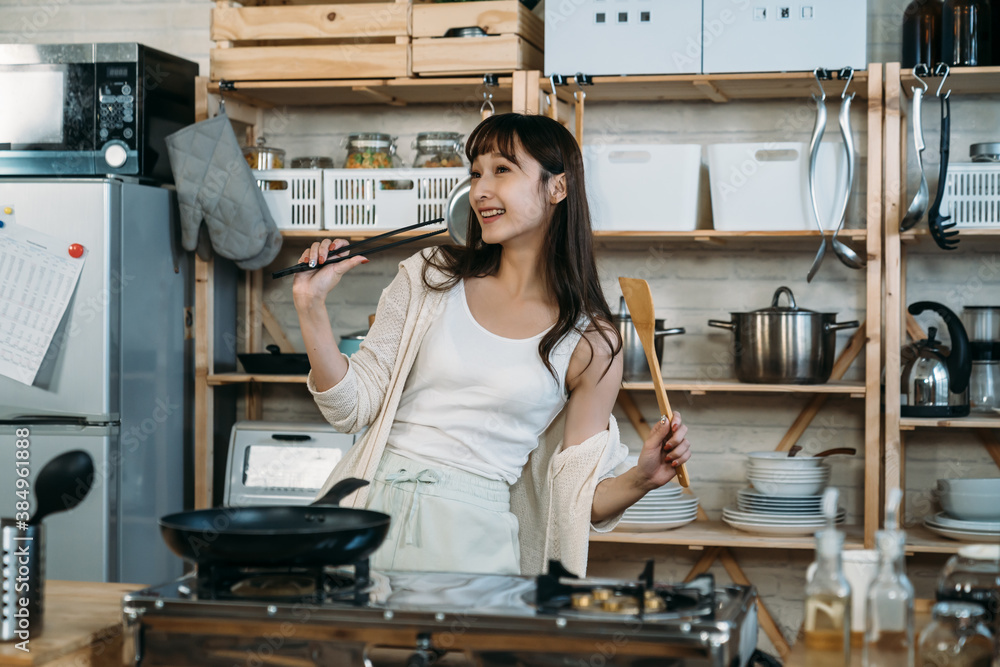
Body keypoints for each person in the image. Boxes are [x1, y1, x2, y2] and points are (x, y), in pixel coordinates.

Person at [292, 113, 692, 577]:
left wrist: (642, 477)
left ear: (557, 188)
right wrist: (310, 304)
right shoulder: (429, 275)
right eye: (476, 172)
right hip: (360, 511)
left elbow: (575, 500)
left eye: (502, 170)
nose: (481, 190)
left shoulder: (592, 340)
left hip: (472, 538)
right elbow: (349, 410)